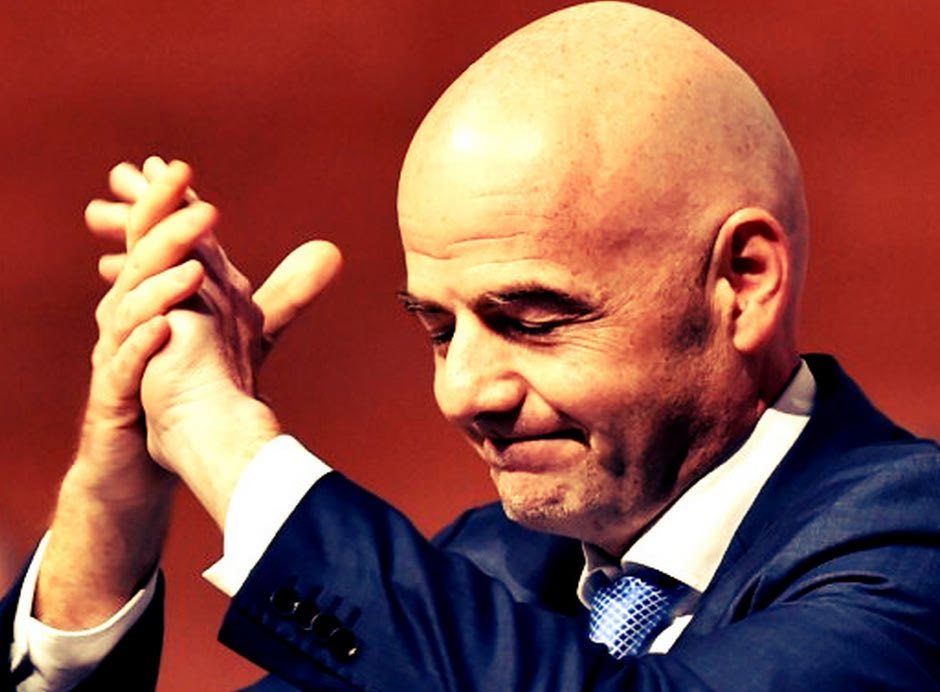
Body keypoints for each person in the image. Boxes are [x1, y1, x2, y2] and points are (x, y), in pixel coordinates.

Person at [4, 2, 940, 690]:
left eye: (533, 319)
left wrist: (221, 437)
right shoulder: (489, 569)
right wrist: (115, 496)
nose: (464, 392)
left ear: (744, 280)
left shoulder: (913, 540)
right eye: (439, 329)